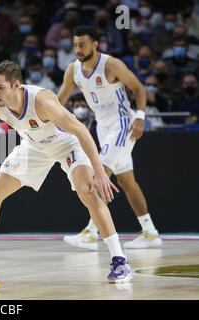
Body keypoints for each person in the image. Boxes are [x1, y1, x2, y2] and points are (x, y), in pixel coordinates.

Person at [0, 60, 132, 289]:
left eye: (0, 87)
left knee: (87, 191)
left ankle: (120, 260)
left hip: (65, 143)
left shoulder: (42, 101)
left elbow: (81, 130)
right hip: (33, 146)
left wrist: (99, 172)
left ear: (16, 85)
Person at [58, 26, 162, 250]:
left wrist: (141, 117)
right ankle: (150, 232)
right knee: (126, 181)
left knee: (99, 174)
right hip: (103, 126)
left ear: (95, 44)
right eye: (75, 45)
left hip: (124, 123)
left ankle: (91, 232)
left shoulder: (111, 64)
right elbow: (58, 101)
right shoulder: (73, 70)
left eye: (82, 44)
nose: (77, 49)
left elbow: (139, 88)